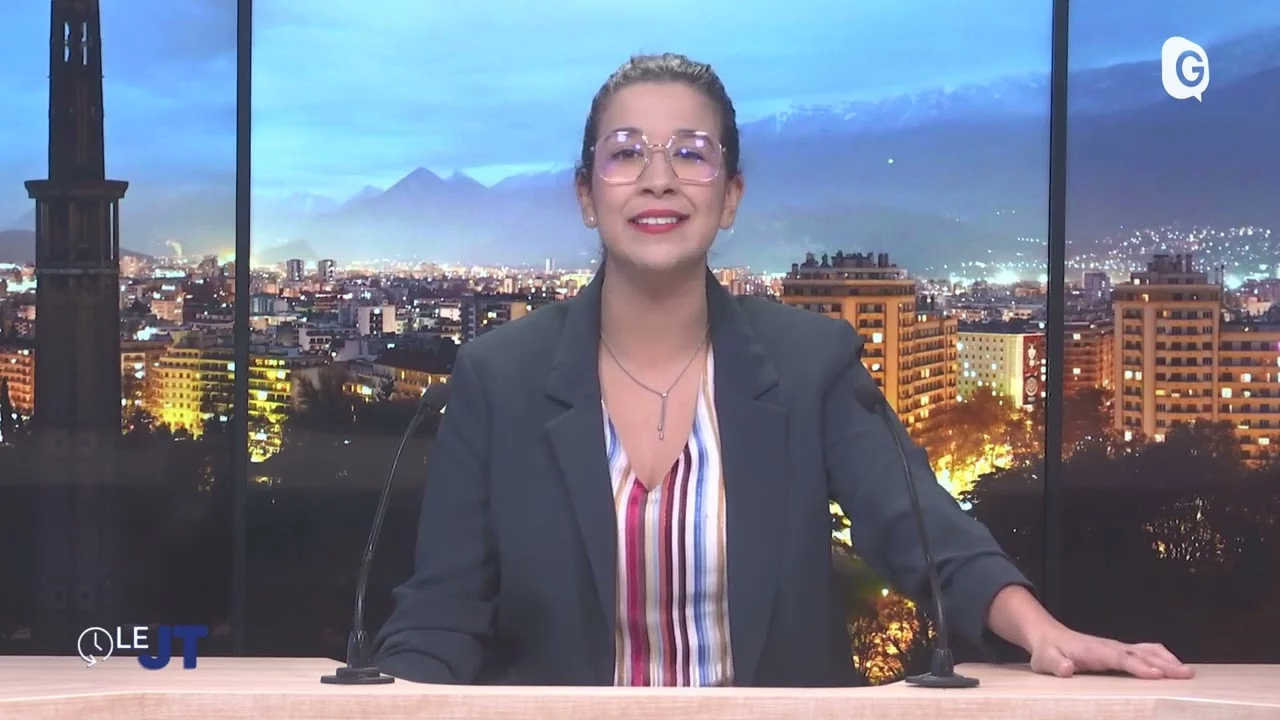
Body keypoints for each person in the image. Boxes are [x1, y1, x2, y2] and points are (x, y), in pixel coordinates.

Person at [373, 53, 1193, 687]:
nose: (658, 177)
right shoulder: (499, 377)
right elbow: (442, 611)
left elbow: (916, 528)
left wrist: (1041, 631)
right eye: (625, 154)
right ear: (586, 194)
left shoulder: (809, 362)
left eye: (690, 154)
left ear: (731, 196)